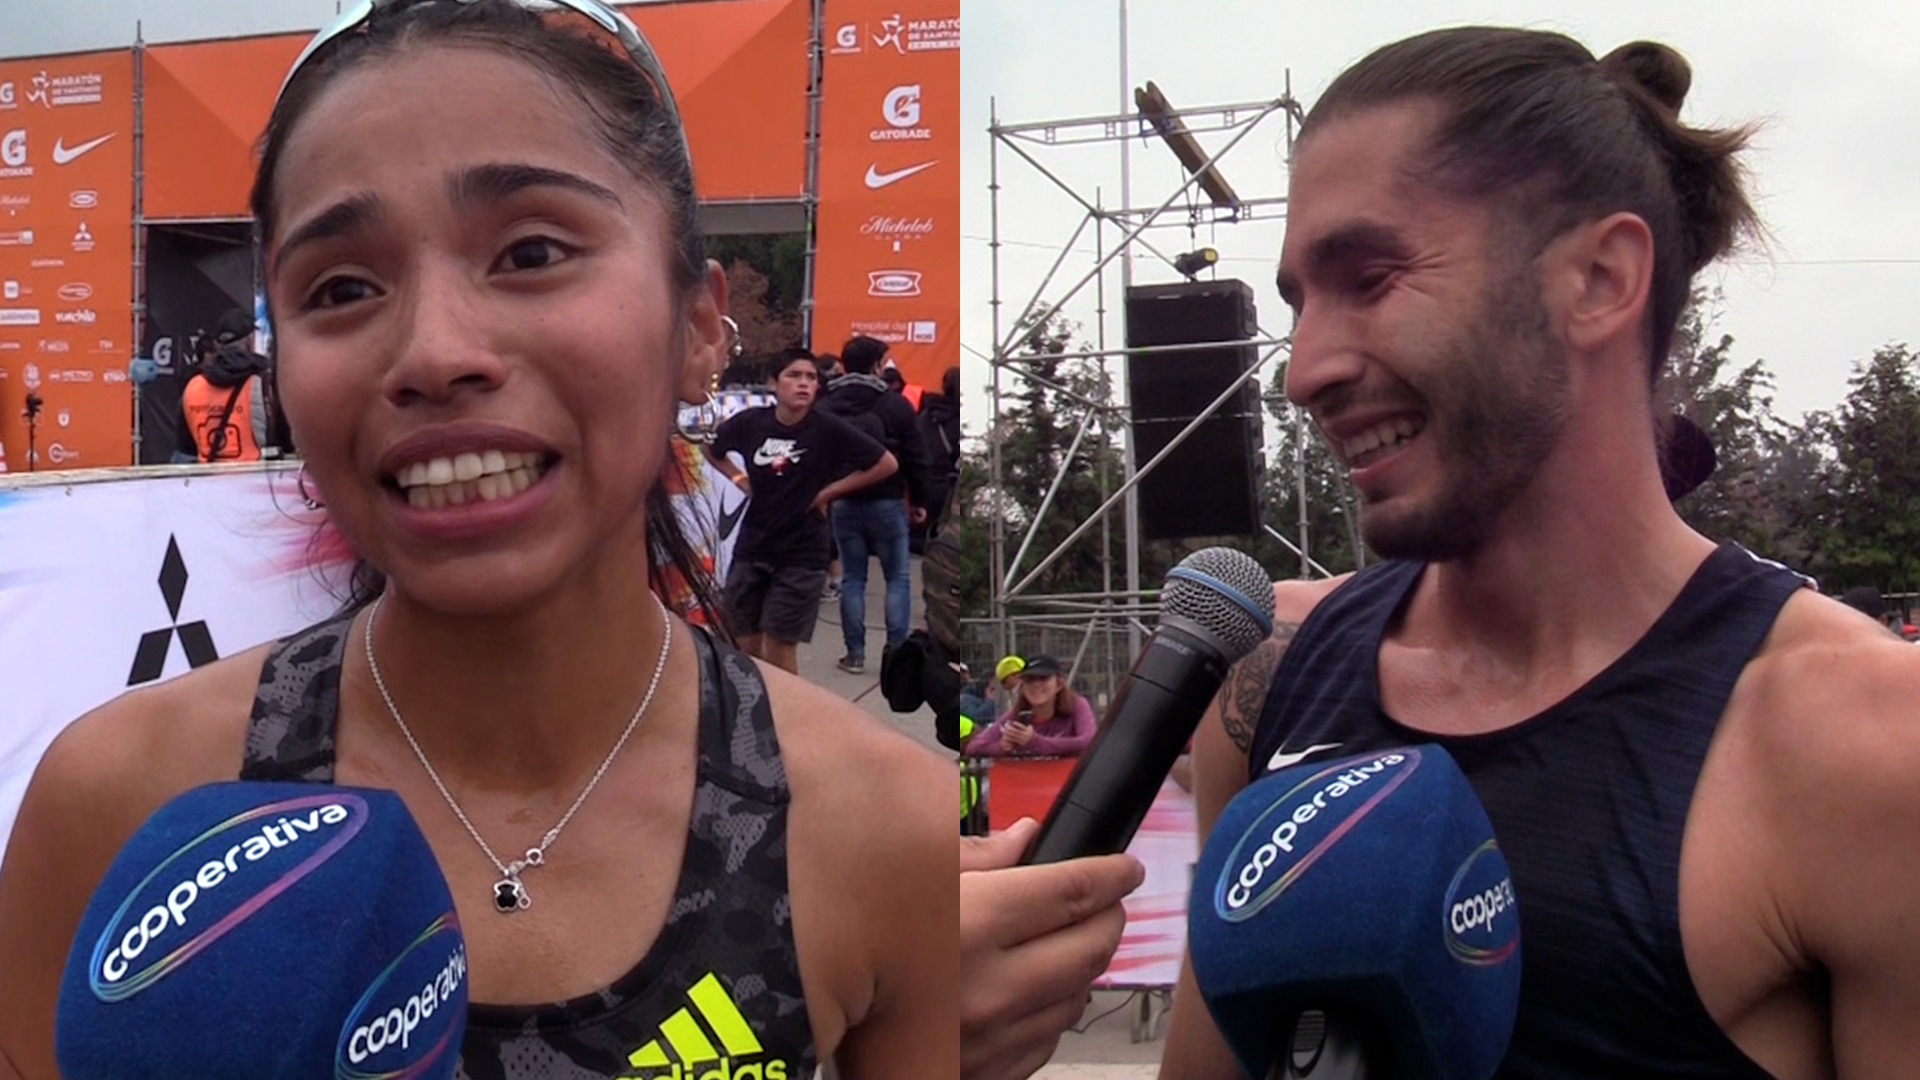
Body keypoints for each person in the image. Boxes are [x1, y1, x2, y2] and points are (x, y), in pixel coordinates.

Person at [0, 4, 955, 1079]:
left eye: (531, 252)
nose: (434, 351)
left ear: (697, 329)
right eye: (343, 288)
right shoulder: (119, 805)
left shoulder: (882, 830)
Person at [1158, 27, 1920, 1080]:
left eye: (1369, 279)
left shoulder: (1865, 745)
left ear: (1600, 279)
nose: (1303, 371)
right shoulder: (1270, 674)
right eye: (1301, 302)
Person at [707, 347, 896, 673]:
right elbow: (712, 448)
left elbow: (886, 463)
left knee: (779, 646)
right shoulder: (752, 422)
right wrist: (739, 479)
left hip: (802, 552)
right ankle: (749, 700)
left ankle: (784, 704)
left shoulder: (828, 428)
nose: (804, 383)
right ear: (773, 383)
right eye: (794, 376)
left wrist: (828, 492)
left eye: (810, 377)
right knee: (743, 644)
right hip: (753, 546)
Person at [819, 335, 931, 674]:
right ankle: (896, 655)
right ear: (876, 366)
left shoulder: (827, 403)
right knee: (897, 577)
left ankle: (854, 654)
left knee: (853, 578)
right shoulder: (895, 405)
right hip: (888, 500)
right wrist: (919, 499)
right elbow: (915, 455)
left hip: (843, 499)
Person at [173, 307, 273, 463]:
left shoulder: (193, 386)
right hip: (254, 475)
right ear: (250, 341)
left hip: (209, 477)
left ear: (216, 344)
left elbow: (185, 451)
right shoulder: (263, 383)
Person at [963, 655, 1097, 759]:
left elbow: (1089, 741)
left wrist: (1036, 742)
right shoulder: (1017, 714)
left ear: (1059, 685)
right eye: (1030, 679)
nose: (1036, 684)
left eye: (1043, 678)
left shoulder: (1077, 705)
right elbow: (974, 747)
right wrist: (1002, 747)